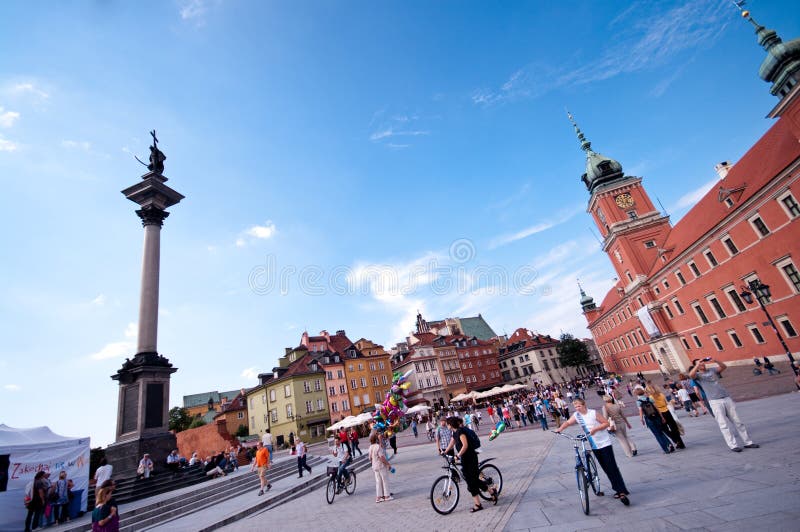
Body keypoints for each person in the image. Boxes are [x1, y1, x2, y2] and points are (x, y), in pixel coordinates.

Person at [555, 398, 630, 505]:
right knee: (606, 468)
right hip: (594, 445)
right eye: (575, 407)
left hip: (604, 443)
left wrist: (595, 429)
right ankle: (618, 489)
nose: (577, 408)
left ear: (584, 405)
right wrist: (560, 429)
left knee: (612, 467)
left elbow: (606, 423)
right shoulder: (577, 415)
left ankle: (622, 491)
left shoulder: (593, 413)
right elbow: (567, 422)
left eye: (579, 406)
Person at [689, 357, 759, 452]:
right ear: (696, 366)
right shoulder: (697, 376)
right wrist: (697, 364)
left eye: (702, 363)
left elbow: (723, 366)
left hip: (726, 397)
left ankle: (748, 442)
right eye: (700, 363)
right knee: (723, 424)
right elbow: (690, 374)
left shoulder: (712, 370)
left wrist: (715, 360)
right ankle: (733, 445)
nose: (702, 364)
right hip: (714, 401)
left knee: (738, 422)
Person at [442, 416, 498, 513]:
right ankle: (491, 491)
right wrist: (445, 451)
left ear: (451, 425)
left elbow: (465, 445)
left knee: (471, 482)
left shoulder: (461, 432)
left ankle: (478, 504)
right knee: (472, 481)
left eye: (447, 424)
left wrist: (458, 455)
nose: (447, 425)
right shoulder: (454, 432)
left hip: (471, 458)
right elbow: (452, 442)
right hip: (465, 459)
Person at [645, 384, 685, 449]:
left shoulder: (651, 397)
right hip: (667, 411)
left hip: (660, 413)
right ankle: (681, 443)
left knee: (665, 429)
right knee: (674, 428)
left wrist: (661, 416)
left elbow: (655, 408)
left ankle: (676, 441)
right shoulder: (661, 394)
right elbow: (666, 403)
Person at [635, 388, 673, 454]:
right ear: (643, 392)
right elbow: (657, 408)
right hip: (657, 417)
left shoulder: (638, 401)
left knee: (657, 434)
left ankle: (666, 449)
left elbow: (640, 411)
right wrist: (662, 417)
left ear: (636, 394)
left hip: (649, 419)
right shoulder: (649, 398)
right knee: (661, 432)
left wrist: (641, 419)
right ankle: (669, 444)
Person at [369, 432, 393, 503]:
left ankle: (379, 497)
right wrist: (388, 464)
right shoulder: (377, 447)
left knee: (378, 482)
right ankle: (387, 496)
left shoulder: (370, 447)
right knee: (384, 480)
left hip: (375, 466)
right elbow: (382, 457)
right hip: (381, 466)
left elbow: (370, 458)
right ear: (376, 439)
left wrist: (374, 461)